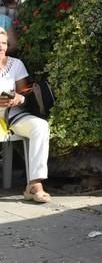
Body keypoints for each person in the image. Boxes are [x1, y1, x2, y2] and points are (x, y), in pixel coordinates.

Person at [0, 27, 51, 202]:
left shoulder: (16, 64)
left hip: (13, 115)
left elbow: (25, 93)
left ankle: (34, 185)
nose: (1, 47)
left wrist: (18, 98)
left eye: (4, 43)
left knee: (40, 126)